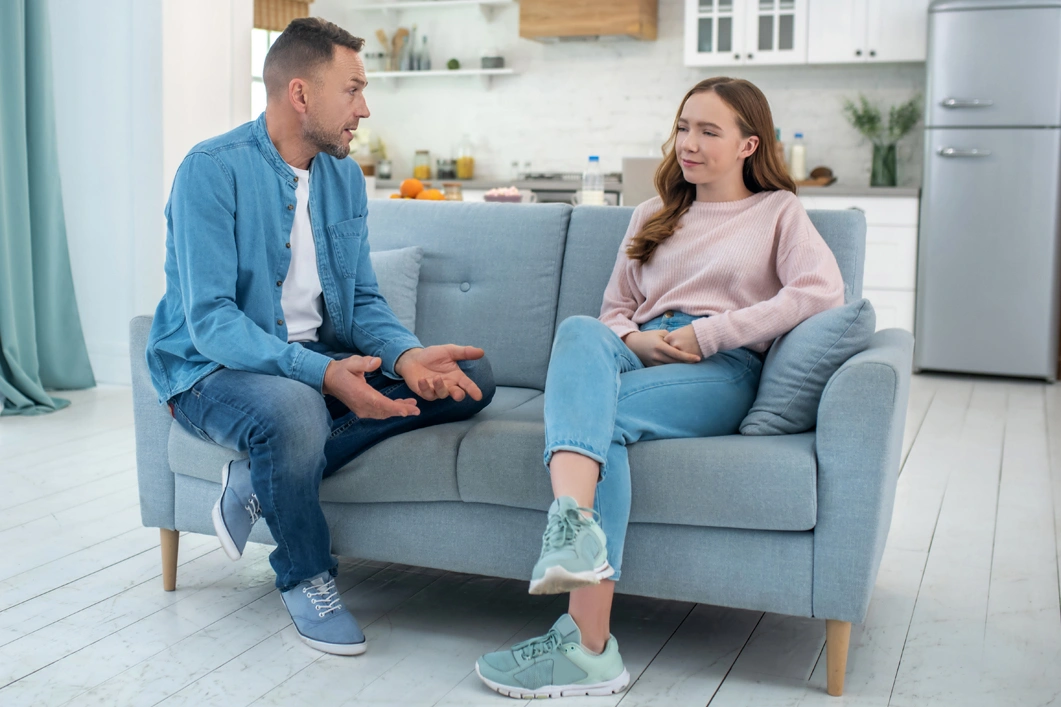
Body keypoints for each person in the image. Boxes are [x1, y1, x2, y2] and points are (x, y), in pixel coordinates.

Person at [474, 77, 845, 698]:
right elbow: (616, 309)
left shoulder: (778, 211)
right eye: (682, 127)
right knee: (580, 329)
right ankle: (572, 530)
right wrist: (638, 340)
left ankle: (585, 644)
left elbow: (818, 292)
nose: (689, 143)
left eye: (708, 131)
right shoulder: (653, 214)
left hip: (718, 369)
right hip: (641, 354)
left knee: (600, 422)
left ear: (750, 144)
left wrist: (714, 335)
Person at [146, 18, 495, 657]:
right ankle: (307, 575)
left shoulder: (344, 178)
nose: (365, 108)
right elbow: (214, 322)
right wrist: (318, 375)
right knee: (294, 406)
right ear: (301, 95)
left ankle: (258, 478)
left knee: (472, 382)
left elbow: (360, 301)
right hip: (209, 368)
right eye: (354, 90)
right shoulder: (210, 170)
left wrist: (409, 354)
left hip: (311, 356)